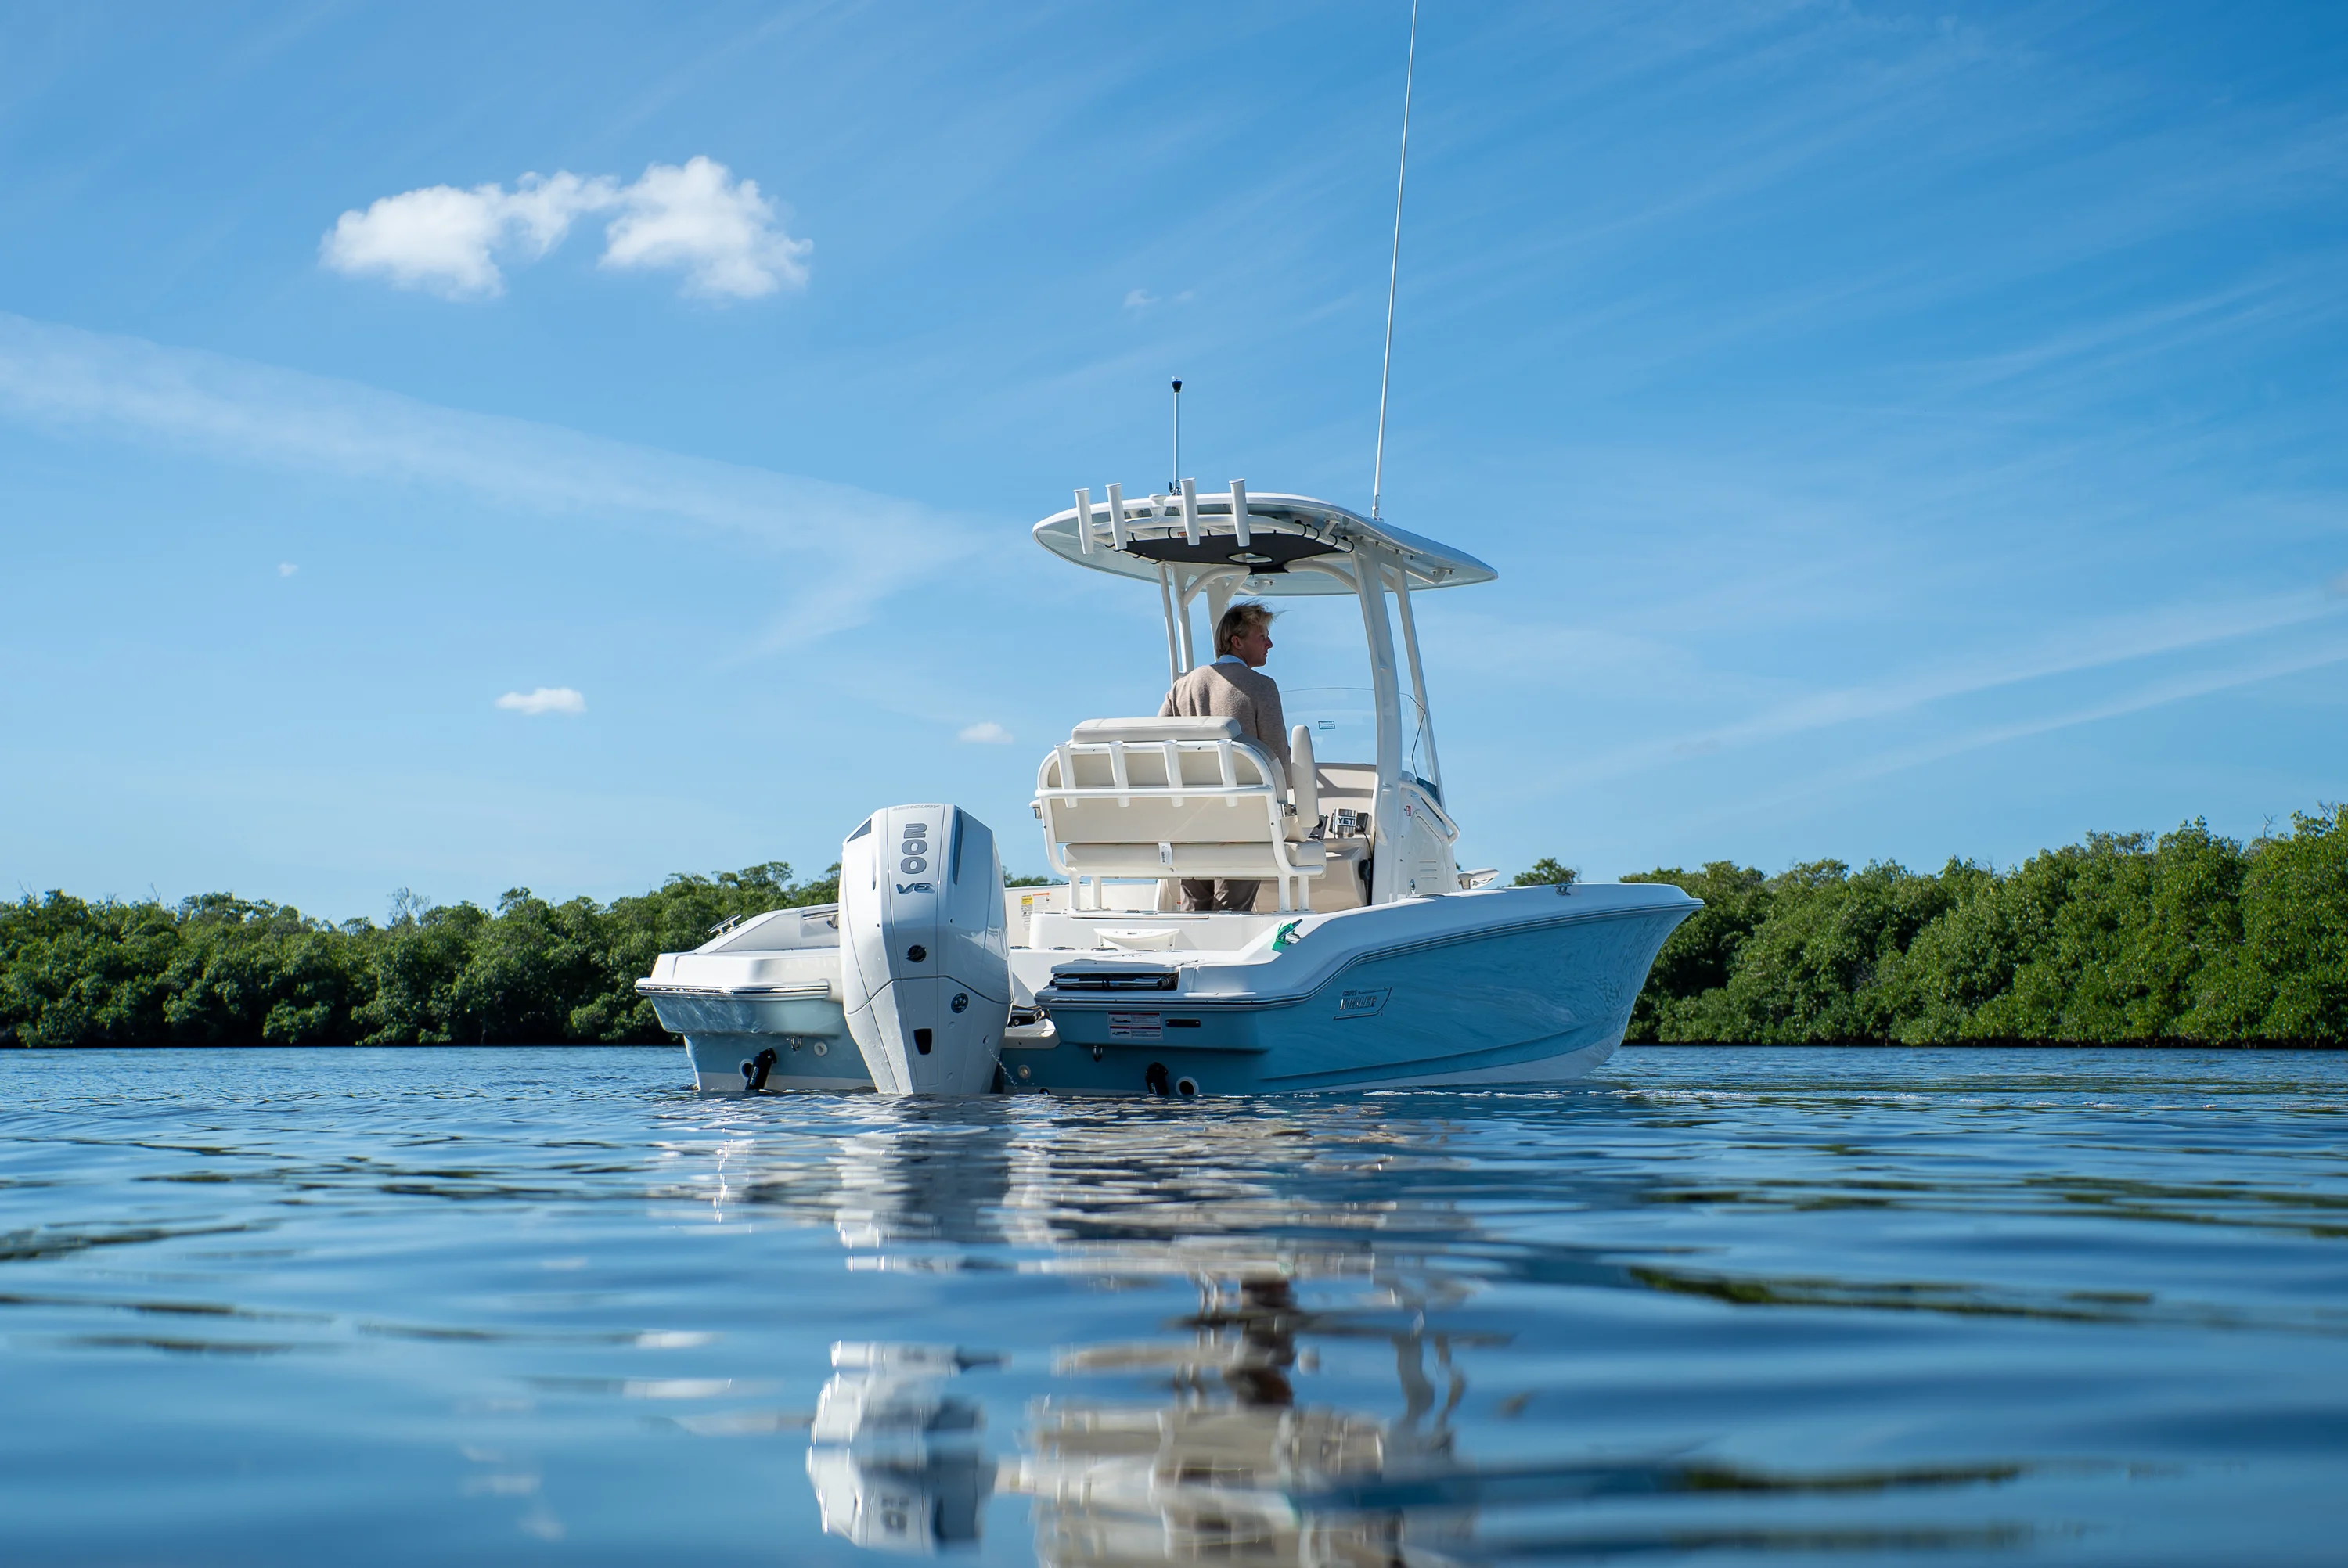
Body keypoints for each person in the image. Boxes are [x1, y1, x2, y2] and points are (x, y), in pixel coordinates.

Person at [1159, 600, 1287, 912]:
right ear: (1237, 641)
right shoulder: (1261, 687)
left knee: (1195, 908)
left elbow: (1158, 750)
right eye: (1262, 636)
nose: (1270, 643)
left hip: (1189, 821)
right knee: (1232, 910)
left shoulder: (1182, 688)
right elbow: (1279, 763)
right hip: (1242, 819)